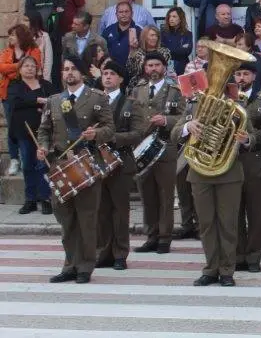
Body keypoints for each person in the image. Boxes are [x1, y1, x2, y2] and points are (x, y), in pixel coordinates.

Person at [37, 56, 113, 284]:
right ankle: (70, 264)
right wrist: (43, 147)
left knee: (86, 219)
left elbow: (110, 128)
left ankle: (85, 267)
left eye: (73, 69)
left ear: (82, 73)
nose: (69, 73)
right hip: (61, 165)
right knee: (66, 219)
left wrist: (95, 134)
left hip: (86, 163)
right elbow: (44, 130)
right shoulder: (54, 100)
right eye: (65, 69)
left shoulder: (97, 98)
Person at [173, 74, 251, 288]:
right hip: (200, 172)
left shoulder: (237, 107)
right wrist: (188, 127)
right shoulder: (193, 105)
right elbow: (174, 133)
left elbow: (252, 136)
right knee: (206, 224)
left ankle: (227, 270)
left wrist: (246, 140)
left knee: (228, 224)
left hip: (229, 173)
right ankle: (210, 269)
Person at [95, 59, 147, 270]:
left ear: (121, 79)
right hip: (98, 161)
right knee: (101, 210)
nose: (107, 77)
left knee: (120, 210)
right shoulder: (95, 101)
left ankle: (120, 254)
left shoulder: (130, 103)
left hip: (121, 161)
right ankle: (103, 252)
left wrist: (114, 138)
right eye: (105, 73)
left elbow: (139, 133)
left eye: (112, 74)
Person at [130, 52, 185, 255]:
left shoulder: (175, 90)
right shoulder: (138, 90)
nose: (153, 69)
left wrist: (167, 121)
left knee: (165, 195)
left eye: (157, 65)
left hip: (165, 146)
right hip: (142, 146)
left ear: (164, 67)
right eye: (149, 65)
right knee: (147, 194)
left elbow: (185, 116)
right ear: (145, 68)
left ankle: (164, 237)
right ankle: (151, 236)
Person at [237, 61, 261, 273]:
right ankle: (238, 256)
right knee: (234, 214)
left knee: (256, 214)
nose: (241, 78)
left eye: (245, 74)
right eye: (238, 74)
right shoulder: (228, 99)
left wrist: (249, 138)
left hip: (255, 163)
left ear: (254, 77)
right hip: (231, 164)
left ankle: (253, 257)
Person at [7, 55, 55, 213]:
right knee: (27, 165)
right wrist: (37, 101)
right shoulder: (15, 86)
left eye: (33, 66)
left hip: (44, 132)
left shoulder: (45, 85)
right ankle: (31, 200)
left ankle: (45, 198)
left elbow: (54, 100)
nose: (30, 68)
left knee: (42, 165)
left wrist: (41, 104)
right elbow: (16, 102)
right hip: (24, 131)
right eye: (26, 66)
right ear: (20, 69)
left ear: (37, 69)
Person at [2, 24, 42, 177]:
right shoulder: (7, 51)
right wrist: (20, 65)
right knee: (12, 126)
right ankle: (14, 159)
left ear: (21, 37)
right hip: (10, 92)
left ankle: (28, 159)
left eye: (13, 35)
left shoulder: (34, 50)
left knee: (29, 126)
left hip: (29, 90)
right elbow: (2, 68)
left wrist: (14, 69)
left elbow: (34, 67)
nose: (10, 38)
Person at [161, 6, 193, 76]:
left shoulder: (188, 34)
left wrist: (169, 49)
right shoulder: (163, 33)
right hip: (167, 68)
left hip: (183, 68)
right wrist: (180, 48)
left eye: (174, 16)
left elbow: (187, 51)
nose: (171, 19)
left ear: (180, 19)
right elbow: (163, 51)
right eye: (169, 16)